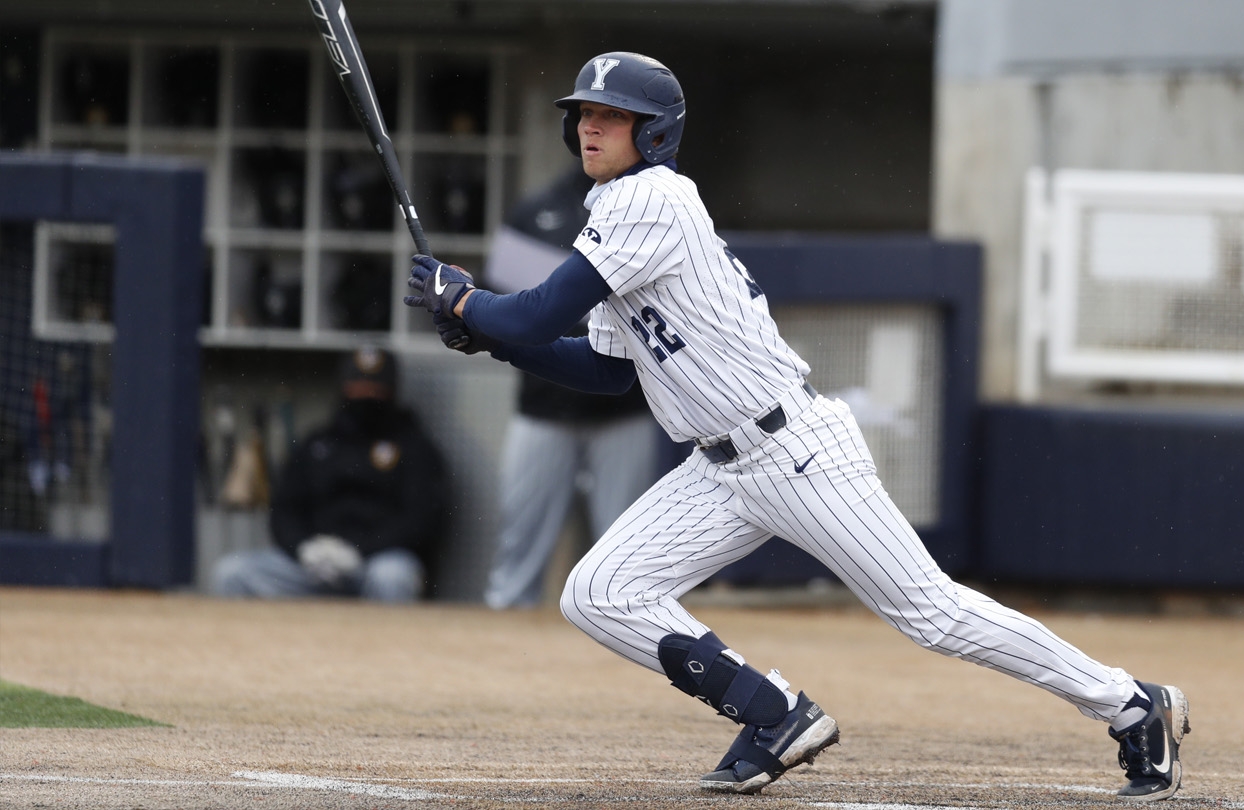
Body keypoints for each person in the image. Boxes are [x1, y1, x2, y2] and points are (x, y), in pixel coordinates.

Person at [405, 52, 1190, 800]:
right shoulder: (611, 209)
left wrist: (470, 304)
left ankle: (1129, 703)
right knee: (599, 593)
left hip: (793, 451)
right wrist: (489, 339)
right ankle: (774, 714)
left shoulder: (655, 198)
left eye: (614, 114)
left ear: (655, 132)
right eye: (584, 111)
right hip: (718, 469)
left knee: (933, 614)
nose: (591, 125)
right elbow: (606, 370)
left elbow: (538, 312)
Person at [481, 165, 659, 610]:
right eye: (585, 118)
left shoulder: (651, 206)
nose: (592, 132)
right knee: (519, 543)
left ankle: (624, 639)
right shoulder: (539, 210)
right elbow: (502, 301)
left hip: (625, 409)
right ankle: (503, 638)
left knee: (626, 551)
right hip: (544, 407)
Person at [212, 345, 449, 602]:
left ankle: (388, 643)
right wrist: (305, 548)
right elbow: (284, 510)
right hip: (314, 562)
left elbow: (420, 520)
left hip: (373, 562)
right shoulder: (317, 444)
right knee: (232, 573)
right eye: (358, 387)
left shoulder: (413, 447)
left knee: (393, 577)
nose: (365, 396)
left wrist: (359, 549)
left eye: (375, 389)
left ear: (391, 391)